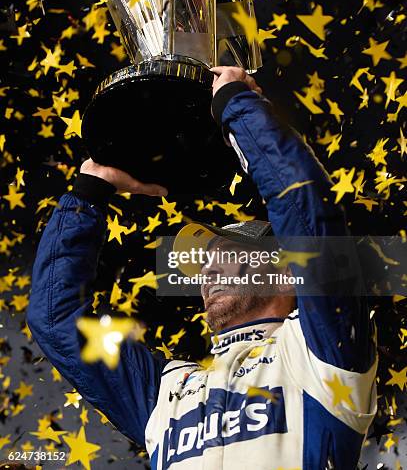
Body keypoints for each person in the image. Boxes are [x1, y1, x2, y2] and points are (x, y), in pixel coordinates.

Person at [27, 66, 377, 469]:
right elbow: (54, 320)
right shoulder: (165, 389)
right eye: (203, 262)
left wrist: (238, 107)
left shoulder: (319, 351)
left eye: (226, 254)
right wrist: (91, 191)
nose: (207, 272)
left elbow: (305, 210)